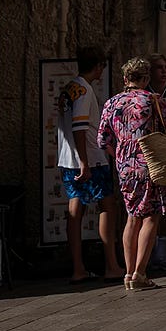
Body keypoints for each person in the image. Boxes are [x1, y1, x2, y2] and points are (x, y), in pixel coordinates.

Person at [97, 57, 166, 291]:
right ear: (146, 78)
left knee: (131, 217)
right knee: (151, 216)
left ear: (126, 78)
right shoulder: (153, 100)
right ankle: (140, 272)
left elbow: (102, 140)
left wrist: (120, 155)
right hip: (149, 163)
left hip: (124, 167)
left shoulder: (111, 103)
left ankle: (128, 273)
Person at [56, 45, 127, 284]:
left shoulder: (69, 89)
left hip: (67, 159)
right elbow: (79, 127)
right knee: (107, 206)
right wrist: (85, 162)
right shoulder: (85, 91)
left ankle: (78, 268)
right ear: (98, 66)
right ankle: (111, 265)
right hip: (91, 159)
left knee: (75, 211)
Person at [145, 52, 166, 273]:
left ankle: (162, 249)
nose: (164, 71)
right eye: (159, 67)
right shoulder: (143, 96)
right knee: (149, 206)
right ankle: (147, 252)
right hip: (149, 157)